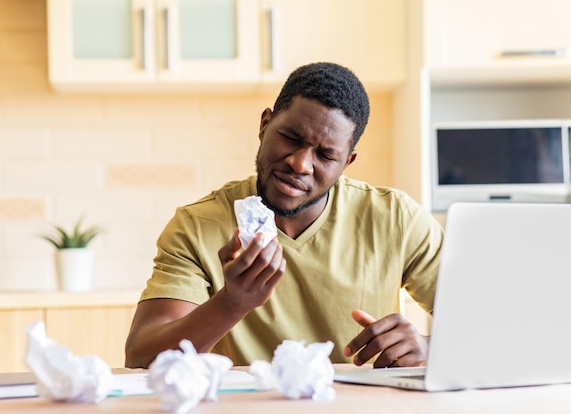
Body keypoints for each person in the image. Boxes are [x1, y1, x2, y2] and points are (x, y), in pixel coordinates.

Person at [125, 62, 443, 369]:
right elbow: (141, 357)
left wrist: (427, 345)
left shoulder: (396, 219)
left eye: (326, 155)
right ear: (265, 125)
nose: (301, 164)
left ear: (347, 162)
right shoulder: (197, 226)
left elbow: (486, 322)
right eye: (291, 138)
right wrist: (231, 304)